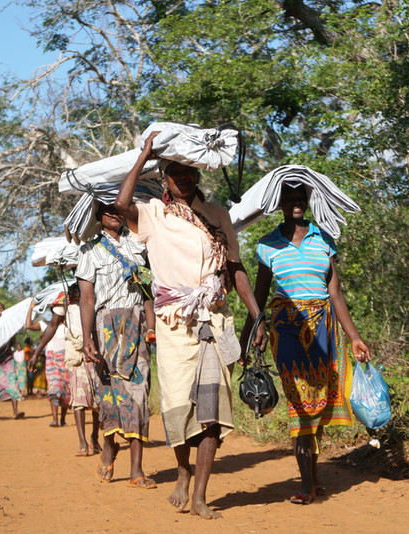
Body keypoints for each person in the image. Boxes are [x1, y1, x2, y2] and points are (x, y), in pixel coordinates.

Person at [115, 132, 266, 517]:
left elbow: (235, 266)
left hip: (213, 318)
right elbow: (120, 203)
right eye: (175, 172)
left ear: (198, 176)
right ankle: (182, 471)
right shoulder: (153, 214)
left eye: (189, 172)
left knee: (212, 409)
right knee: (178, 403)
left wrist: (255, 314)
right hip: (173, 322)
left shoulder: (217, 216)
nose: (183, 178)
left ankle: (200, 494)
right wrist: (144, 155)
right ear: (164, 178)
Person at [241, 183, 371, 505]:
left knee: (320, 403)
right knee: (301, 405)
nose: (297, 202)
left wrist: (354, 337)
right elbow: (258, 296)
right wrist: (247, 336)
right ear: (280, 204)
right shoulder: (267, 245)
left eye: (302, 197)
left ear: (308, 202)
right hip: (286, 331)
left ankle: (313, 478)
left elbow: (335, 293)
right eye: (290, 198)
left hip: (324, 332)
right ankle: (306, 483)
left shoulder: (323, 239)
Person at [77, 201, 156, 490]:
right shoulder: (88, 251)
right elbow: (87, 299)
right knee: (108, 394)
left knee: (139, 392)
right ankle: (109, 448)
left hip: (136, 326)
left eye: (116, 208)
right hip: (105, 327)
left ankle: (137, 470)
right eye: (106, 209)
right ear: (98, 215)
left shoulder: (138, 245)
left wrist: (152, 325)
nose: (112, 213)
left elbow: (147, 289)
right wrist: (88, 338)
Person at [51, 284, 102, 455]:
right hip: (76, 357)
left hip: (95, 354)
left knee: (97, 401)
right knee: (78, 400)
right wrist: (36, 352)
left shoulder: (95, 299)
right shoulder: (67, 304)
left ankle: (95, 438)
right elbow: (52, 324)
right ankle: (83, 443)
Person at [27, 299, 70, 426]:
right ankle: (55, 419)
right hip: (51, 360)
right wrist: (31, 308)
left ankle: (62, 419)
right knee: (54, 388)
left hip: (66, 360)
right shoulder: (45, 324)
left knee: (66, 391)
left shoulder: (68, 325)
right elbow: (29, 325)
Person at [0, 337, 25, 419]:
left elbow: (12, 342)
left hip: (7, 358)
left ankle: (15, 411)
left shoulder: (8, 328)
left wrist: (10, 339)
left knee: (12, 380)